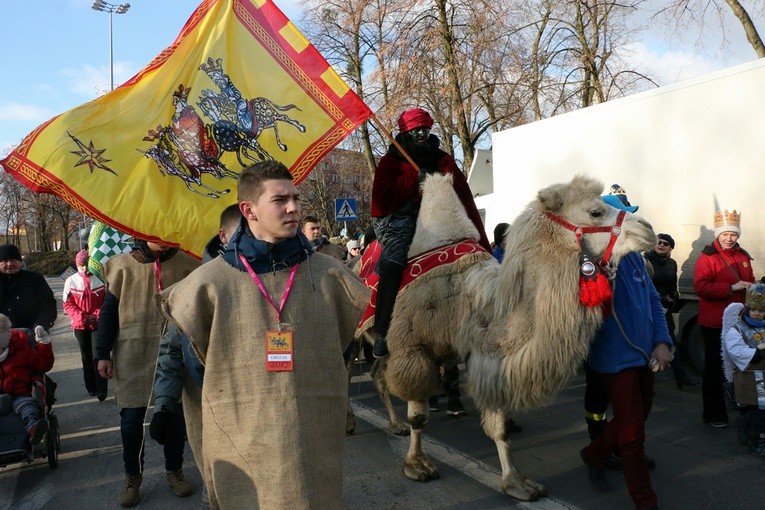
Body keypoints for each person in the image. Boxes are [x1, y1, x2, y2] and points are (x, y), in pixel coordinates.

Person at [157, 161, 369, 509]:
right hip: (242, 441)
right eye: (280, 199)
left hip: (313, 440)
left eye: (296, 198)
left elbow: (340, 353)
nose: (294, 208)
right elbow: (197, 371)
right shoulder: (207, 285)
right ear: (248, 209)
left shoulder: (332, 277)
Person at [370, 107, 490, 358]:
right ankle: (382, 331)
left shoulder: (443, 159)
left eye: (425, 129)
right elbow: (382, 200)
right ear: (406, 132)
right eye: (416, 130)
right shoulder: (391, 161)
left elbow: (463, 196)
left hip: (439, 220)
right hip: (401, 223)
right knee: (393, 264)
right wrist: (414, 179)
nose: (422, 134)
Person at [579, 193, 673, 510]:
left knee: (637, 415)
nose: (631, 223)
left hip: (644, 356)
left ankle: (594, 453)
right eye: (623, 217)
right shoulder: (591, 264)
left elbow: (653, 304)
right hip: (613, 361)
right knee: (631, 432)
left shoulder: (634, 258)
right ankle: (645, 501)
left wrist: (662, 343)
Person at [95, 239, 200, 507]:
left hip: (175, 352)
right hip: (132, 352)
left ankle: (174, 470)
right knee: (132, 420)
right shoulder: (121, 267)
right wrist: (102, 353)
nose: (163, 240)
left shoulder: (188, 265)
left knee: (174, 417)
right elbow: (108, 313)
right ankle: (132, 476)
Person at [150, 203, 241, 510]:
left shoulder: (275, 281)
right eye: (243, 235)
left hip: (259, 409)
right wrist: (163, 405)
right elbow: (172, 351)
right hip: (207, 404)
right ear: (223, 237)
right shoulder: (194, 287)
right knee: (217, 492)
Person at [693, 209, 754, 428]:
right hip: (715, 323)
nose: (729, 239)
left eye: (733, 234)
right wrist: (731, 287)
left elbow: (750, 279)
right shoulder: (707, 257)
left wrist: (753, 287)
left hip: (741, 323)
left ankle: (743, 408)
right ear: (718, 235)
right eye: (725, 234)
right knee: (714, 368)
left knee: (741, 366)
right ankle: (714, 414)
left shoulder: (743, 255)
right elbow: (701, 287)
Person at [643, 233, 700, 389]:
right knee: (647, 346)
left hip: (665, 309)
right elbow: (644, 286)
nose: (661, 245)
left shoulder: (672, 264)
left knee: (670, 343)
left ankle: (681, 377)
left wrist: (674, 299)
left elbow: (673, 285)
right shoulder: (645, 262)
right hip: (648, 307)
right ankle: (645, 383)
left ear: (670, 248)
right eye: (659, 242)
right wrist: (661, 298)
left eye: (666, 244)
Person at [722, 283, 765, 458]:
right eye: (753, 309)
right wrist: (756, 354)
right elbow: (734, 349)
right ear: (747, 308)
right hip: (749, 378)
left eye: (761, 310)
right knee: (753, 410)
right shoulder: (738, 329)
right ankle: (756, 439)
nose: (756, 313)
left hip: (763, 377)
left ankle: (753, 431)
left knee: (761, 411)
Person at [0, 314, 53, 445]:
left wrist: (43, 343)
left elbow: (42, 365)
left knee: (28, 408)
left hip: (20, 395)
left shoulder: (22, 350)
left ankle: (33, 430)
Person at [63, 249, 108, 401]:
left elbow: (106, 302)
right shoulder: (71, 281)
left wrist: (96, 316)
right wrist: (82, 317)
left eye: (88, 265)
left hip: (97, 324)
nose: (85, 269)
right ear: (77, 265)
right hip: (80, 325)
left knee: (98, 355)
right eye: (82, 266)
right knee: (86, 358)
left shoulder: (100, 279)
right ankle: (91, 387)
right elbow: (68, 305)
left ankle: (102, 389)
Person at [0, 244, 56, 331]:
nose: (9, 264)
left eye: (13, 260)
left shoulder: (35, 279)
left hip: (30, 333)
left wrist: (41, 325)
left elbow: (48, 305)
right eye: (5, 260)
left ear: (20, 262)